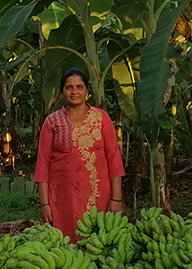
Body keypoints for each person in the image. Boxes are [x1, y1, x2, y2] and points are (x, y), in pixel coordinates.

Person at [34, 68, 125, 242]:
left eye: (79, 87)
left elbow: (113, 159)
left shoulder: (101, 119)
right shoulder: (52, 122)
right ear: (62, 92)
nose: (74, 91)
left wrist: (116, 198)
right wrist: (44, 204)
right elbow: (42, 164)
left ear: (87, 91)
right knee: (66, 244)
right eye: (69, 87)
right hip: (63, 198)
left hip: (99, 197)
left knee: (99, 242)